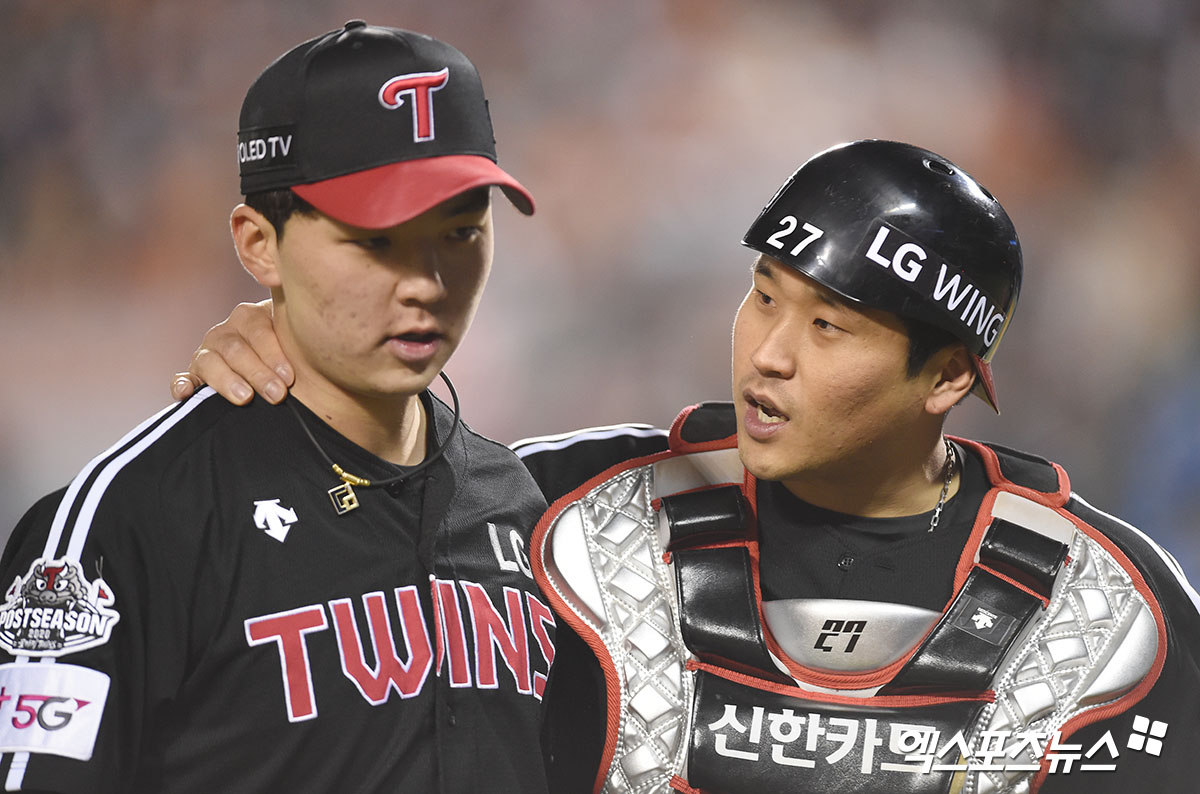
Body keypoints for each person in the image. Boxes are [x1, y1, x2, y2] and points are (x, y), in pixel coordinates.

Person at [174, 140, 1200, 793]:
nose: (766, 351)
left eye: (830, 326)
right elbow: (326, 502)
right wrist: (293, 364)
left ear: (944, 376)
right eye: (763, 294)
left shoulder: (1112, 607)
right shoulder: (563, 506)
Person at [0, 21, 557, 794]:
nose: (427, 282)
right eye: (377, 242)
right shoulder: (130, 524)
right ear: (259, 244)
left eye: (460, 232)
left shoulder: (526, 506)